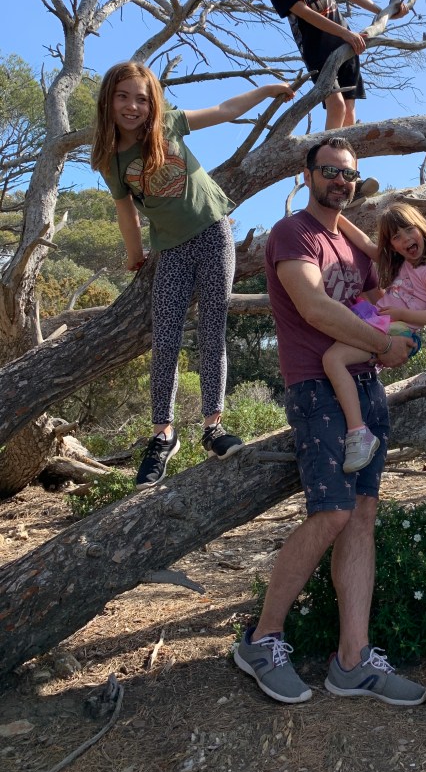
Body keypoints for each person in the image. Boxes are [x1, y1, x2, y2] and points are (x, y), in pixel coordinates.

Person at [233, 135, 426, 707]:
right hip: (317, 387)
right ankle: (262, 640)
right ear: (308, 174)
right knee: (333, 512)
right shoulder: (291, 234)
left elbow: (375, 304)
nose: (340, 181)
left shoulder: (354, 246)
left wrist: (399, 339)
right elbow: (315, 307)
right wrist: (383, 344)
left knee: (361, 515)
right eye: (330, 171)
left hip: (365, 386)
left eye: (348, 174)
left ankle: (352, 660)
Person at [91, 62, 294, 490]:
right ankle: (163, 434)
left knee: (212, 329)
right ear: (108, 100)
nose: (132, 106)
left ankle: (213, 427)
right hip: (170, 250)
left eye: (141, 98)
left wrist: (264, 91)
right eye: (123, 97)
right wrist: (135, 254)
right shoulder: (111, 159)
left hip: (214, 234)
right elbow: (126, 212)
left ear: (153, 103)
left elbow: (223, 110)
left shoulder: (167, 124)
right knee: (165, 338)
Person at [260, 0, 409, 200]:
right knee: (336, 106)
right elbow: (305, 13)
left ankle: (351, 181)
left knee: (350, 113)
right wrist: (345, 34)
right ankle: (325, 176)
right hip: (319, 49)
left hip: (347, 45)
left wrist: (384, 11)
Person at [327, 204, 426, 472]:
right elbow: (364, 243)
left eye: (409, 230)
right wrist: (336, 215)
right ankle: (358, 422)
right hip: (382, 324)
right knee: (336, 348)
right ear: (392, 245)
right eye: (396, 236)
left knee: (333, 359)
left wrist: (400, 313)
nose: (405, 239)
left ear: (421, 228)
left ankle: (358, 432)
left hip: (401, 331)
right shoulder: (399, 265)